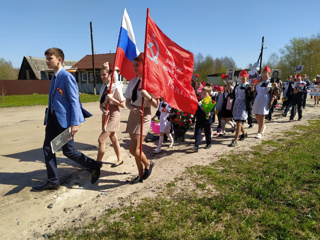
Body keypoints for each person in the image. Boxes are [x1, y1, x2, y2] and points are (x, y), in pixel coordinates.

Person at [32, 48, 102, 191]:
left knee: (68, 151)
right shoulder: (54, 77)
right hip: (52, 120)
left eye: (49, 58)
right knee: (48, 148)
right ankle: (52, 181)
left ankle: (94, 165)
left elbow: (74, 101)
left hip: (65, 122)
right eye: (46, 58)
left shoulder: (66, 77)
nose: (47, 61)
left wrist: (75, 123)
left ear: (59, 59)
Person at [124, 52, 158, 184]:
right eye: (134, 65)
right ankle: (140, 174)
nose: (135, 67)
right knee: (136, 150)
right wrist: (132, 109)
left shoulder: (150, 82)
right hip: (133, 114)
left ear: (145, 65)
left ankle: (148, 164)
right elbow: (127, 102)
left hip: (144, 114)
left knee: (134, 149)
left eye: (137, 65)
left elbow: (156, 104)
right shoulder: (132, 82)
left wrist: (147, 96)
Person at [96, 62, 125, 167]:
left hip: (114, 114)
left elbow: (123, 104)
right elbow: (100, 103)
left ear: (110, 74)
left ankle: (97, 164)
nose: (102, 77)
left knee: (101, 139)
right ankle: (120, 159)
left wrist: (112, 99)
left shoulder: (116, 87)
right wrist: (103, 110)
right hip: (106, 114)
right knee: (113, 137)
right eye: (101, 75)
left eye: (104, 74)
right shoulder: (102, 88)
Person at [228, 70, 253, 147]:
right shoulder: (236, 86)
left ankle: (235, 140)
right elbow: (233, 96)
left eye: (244, 78)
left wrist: (251, 92)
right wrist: (229, 91)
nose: (242, 80)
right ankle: (244, 134)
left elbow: (250, 98)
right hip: (236, 106)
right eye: (241, 78)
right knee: (238, 121)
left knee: (239, 122)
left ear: (247, 79)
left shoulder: (248, 87)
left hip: (243, 106)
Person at [191, 86, 214, 152]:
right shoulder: (200, 102)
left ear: (209, 93)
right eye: (202, 93)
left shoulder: (211, 101)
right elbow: (197, 110)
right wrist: (194, 114)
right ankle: (196, 146)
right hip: (199, 119)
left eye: (205, 93)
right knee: (198, 132)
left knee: (207, 132)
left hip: (207, 120)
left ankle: (208, 143)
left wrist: (210, 114)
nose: (203, 95)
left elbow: (213, 111)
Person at [252, 66, 272, 139]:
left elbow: (270, 90)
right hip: (258, 99)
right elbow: (256, 90)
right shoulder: (259, 83)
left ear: (269, 76)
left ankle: (259, 132)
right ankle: (263, 125)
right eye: (263, 77)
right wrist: (253, 87)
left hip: (265, 99)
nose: (264, 78)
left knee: (262, 115)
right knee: (256, 115)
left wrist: (269, 86)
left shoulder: (270, 83)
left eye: (265, 77)